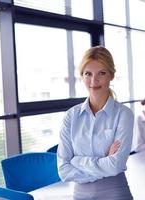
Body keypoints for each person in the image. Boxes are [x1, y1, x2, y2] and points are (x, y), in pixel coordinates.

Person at [57, 46, 134, 200]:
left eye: (102, 73)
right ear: (82, 76)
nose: (94, 81)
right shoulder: (71, 117)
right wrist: (103, 162)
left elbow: (115, 165)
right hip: (80, 196)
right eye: (88, 74)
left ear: (111, 75)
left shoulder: (123, 114)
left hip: (115, 194)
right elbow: (63, 170)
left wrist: (77, 160)